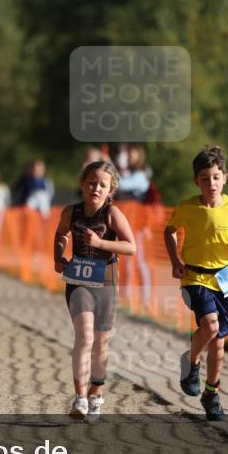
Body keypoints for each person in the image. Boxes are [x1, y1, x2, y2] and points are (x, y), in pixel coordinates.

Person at [163, 146, 228, 421]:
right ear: (196, 181)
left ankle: (211, 394)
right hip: (194, 276)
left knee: (218, 343)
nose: (211, 184)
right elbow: (170, 231)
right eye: (205, 178)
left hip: (224, 278)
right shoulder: (187, 208)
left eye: (216, 177)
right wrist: (175, 260)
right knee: (210, 325)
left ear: (225, 178)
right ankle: (191, 361)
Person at [53, 160, 136, 419]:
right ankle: (79, 397)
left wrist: (101, 243)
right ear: (82, 184)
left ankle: (96, 393)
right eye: (91, 183)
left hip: (106, 284)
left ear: (110, 189)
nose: (96, 188)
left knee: (101, 343)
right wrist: (58, 257)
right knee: (84, 336)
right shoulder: (71, 212)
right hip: (79, 283)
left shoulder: (112, 214)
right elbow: (60, 235)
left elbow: (131, 247)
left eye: (102, 184)